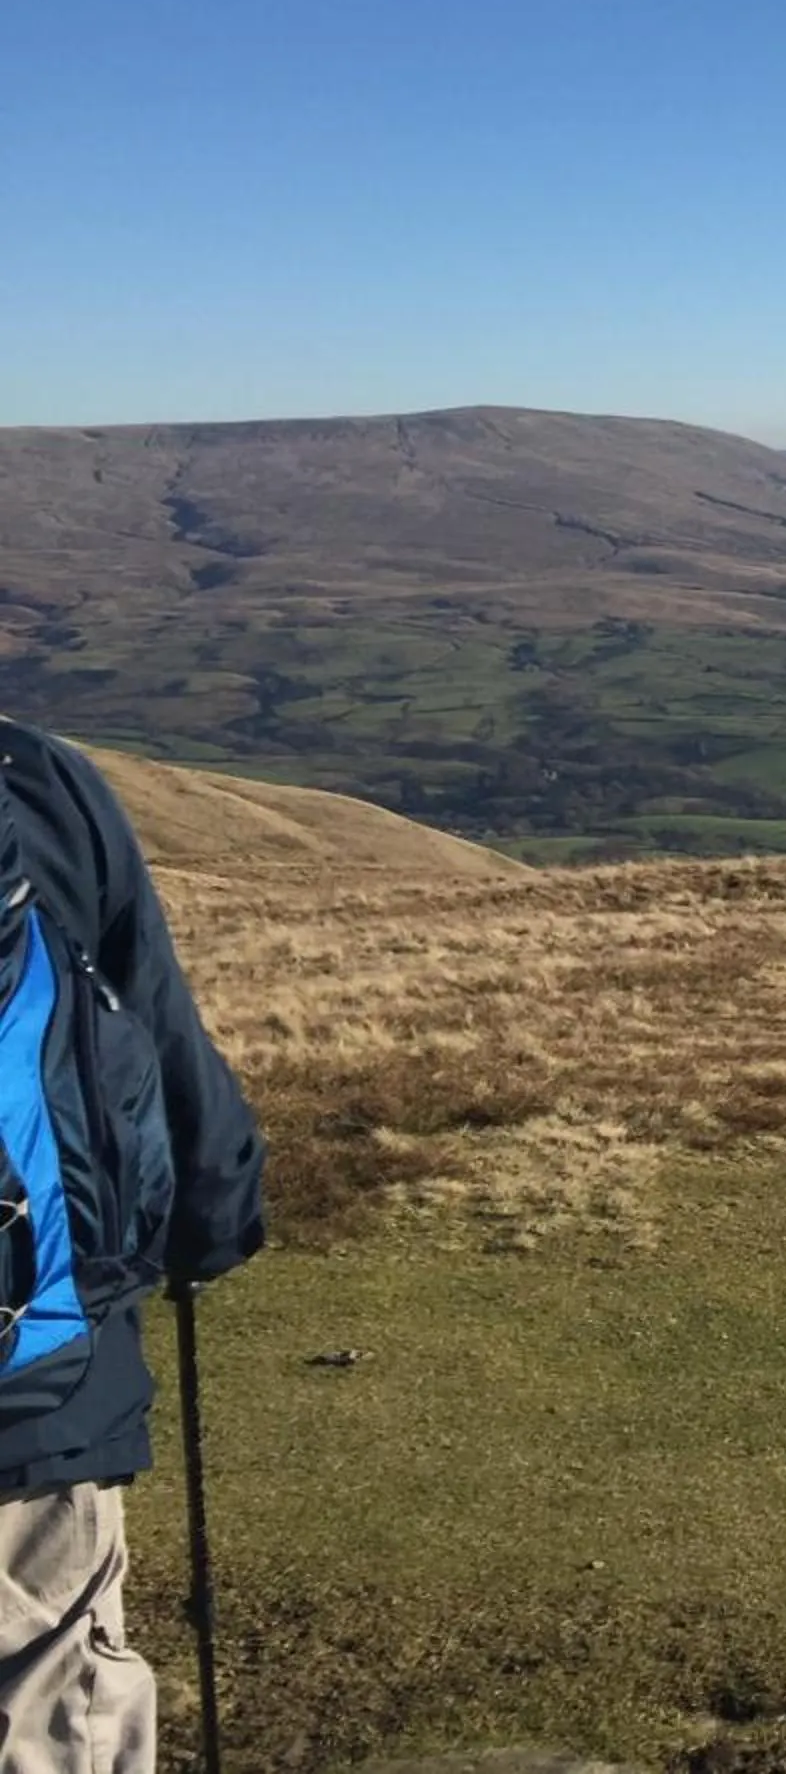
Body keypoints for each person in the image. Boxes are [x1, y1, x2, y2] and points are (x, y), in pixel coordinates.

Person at [0, 721, 266, 1773]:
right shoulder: (37, 784)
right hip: (33, 1397)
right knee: (43, 1707)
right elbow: (153, 1021)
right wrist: (212, 1217)